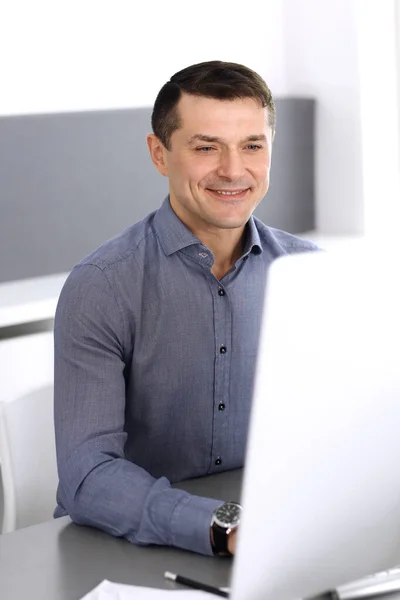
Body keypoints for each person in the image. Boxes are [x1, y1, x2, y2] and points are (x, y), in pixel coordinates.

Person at [54, 60, 319, 557]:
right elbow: (85, 477)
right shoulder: (102, 286)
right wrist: (222, 526)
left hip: (276, 541)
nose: (233, 170)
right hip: (123, 548)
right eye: (206, 147)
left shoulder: (313, 279)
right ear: (159, 153)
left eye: (252, 146)